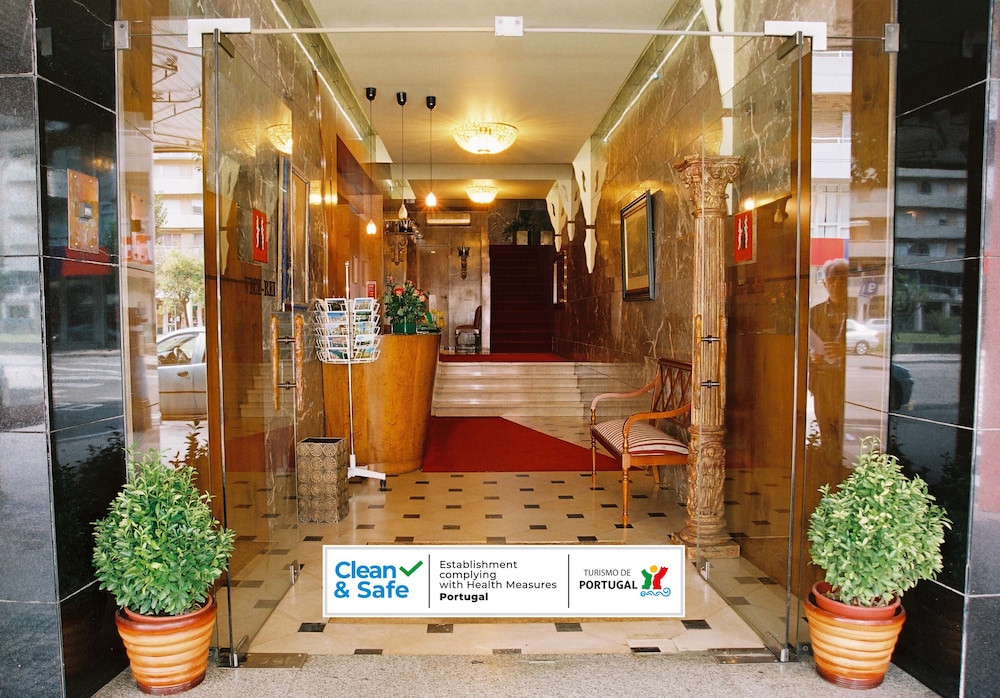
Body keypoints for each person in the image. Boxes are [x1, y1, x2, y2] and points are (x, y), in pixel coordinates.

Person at [808, 258, 849, 451]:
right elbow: (805, 346)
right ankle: (826, 464)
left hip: (845, 382)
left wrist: (845, 351)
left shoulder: (855, 310)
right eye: (832, 279)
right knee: (826, 431)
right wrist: (812, 355)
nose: (837, 283)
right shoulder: (814, 313)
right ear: (824, 283)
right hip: (822, 381)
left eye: (843, 279)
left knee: (843, 432)